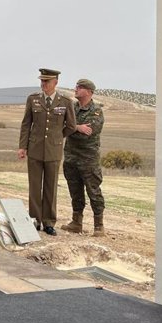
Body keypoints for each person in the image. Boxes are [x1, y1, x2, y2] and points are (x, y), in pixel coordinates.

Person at [18, 68, 77, 236]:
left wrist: (57, 137)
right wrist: (22, 146)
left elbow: (71, 126)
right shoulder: (33, 99)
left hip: (53, 150)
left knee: (51, 187)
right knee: (35, 186)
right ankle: (35, 220)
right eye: (42, 81)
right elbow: (26, 124)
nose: (43, 84)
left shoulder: (65, 101)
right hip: (35, 148)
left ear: (55, 82)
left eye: (47, 81)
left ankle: (49, 222)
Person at [61, 79, 106, 236]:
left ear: (89, 91)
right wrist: (78, 127)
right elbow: (59, 126)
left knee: (93, 190)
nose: (76, 89)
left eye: (80, 87)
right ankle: (76, 222)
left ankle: (99, 225)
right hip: (71, 156)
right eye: (76, 87)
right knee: (75, 190)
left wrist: (70, 129)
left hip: (88, 158)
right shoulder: (71, 107)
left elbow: (87, 135)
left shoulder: (96, 112)